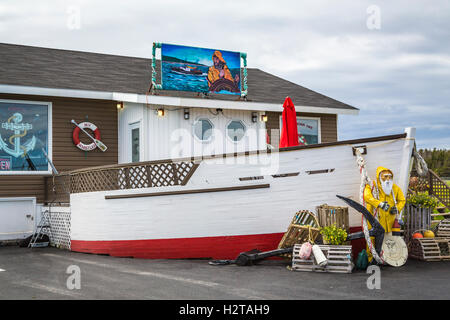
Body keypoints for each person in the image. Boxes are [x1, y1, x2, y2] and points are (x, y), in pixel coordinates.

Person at [363, 166, 406, 262]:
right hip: (375, 219)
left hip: (390, 222)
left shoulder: (394, 188)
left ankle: (388, 259)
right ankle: (372, 260)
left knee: (389, 241)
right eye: (385, 176)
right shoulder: (371, 185)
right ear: (379, 176)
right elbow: (367, 196)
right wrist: (380, 204)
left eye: (389, 176)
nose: (387, 179)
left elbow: (402, 200)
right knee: (373, 239)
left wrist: (397, 208)